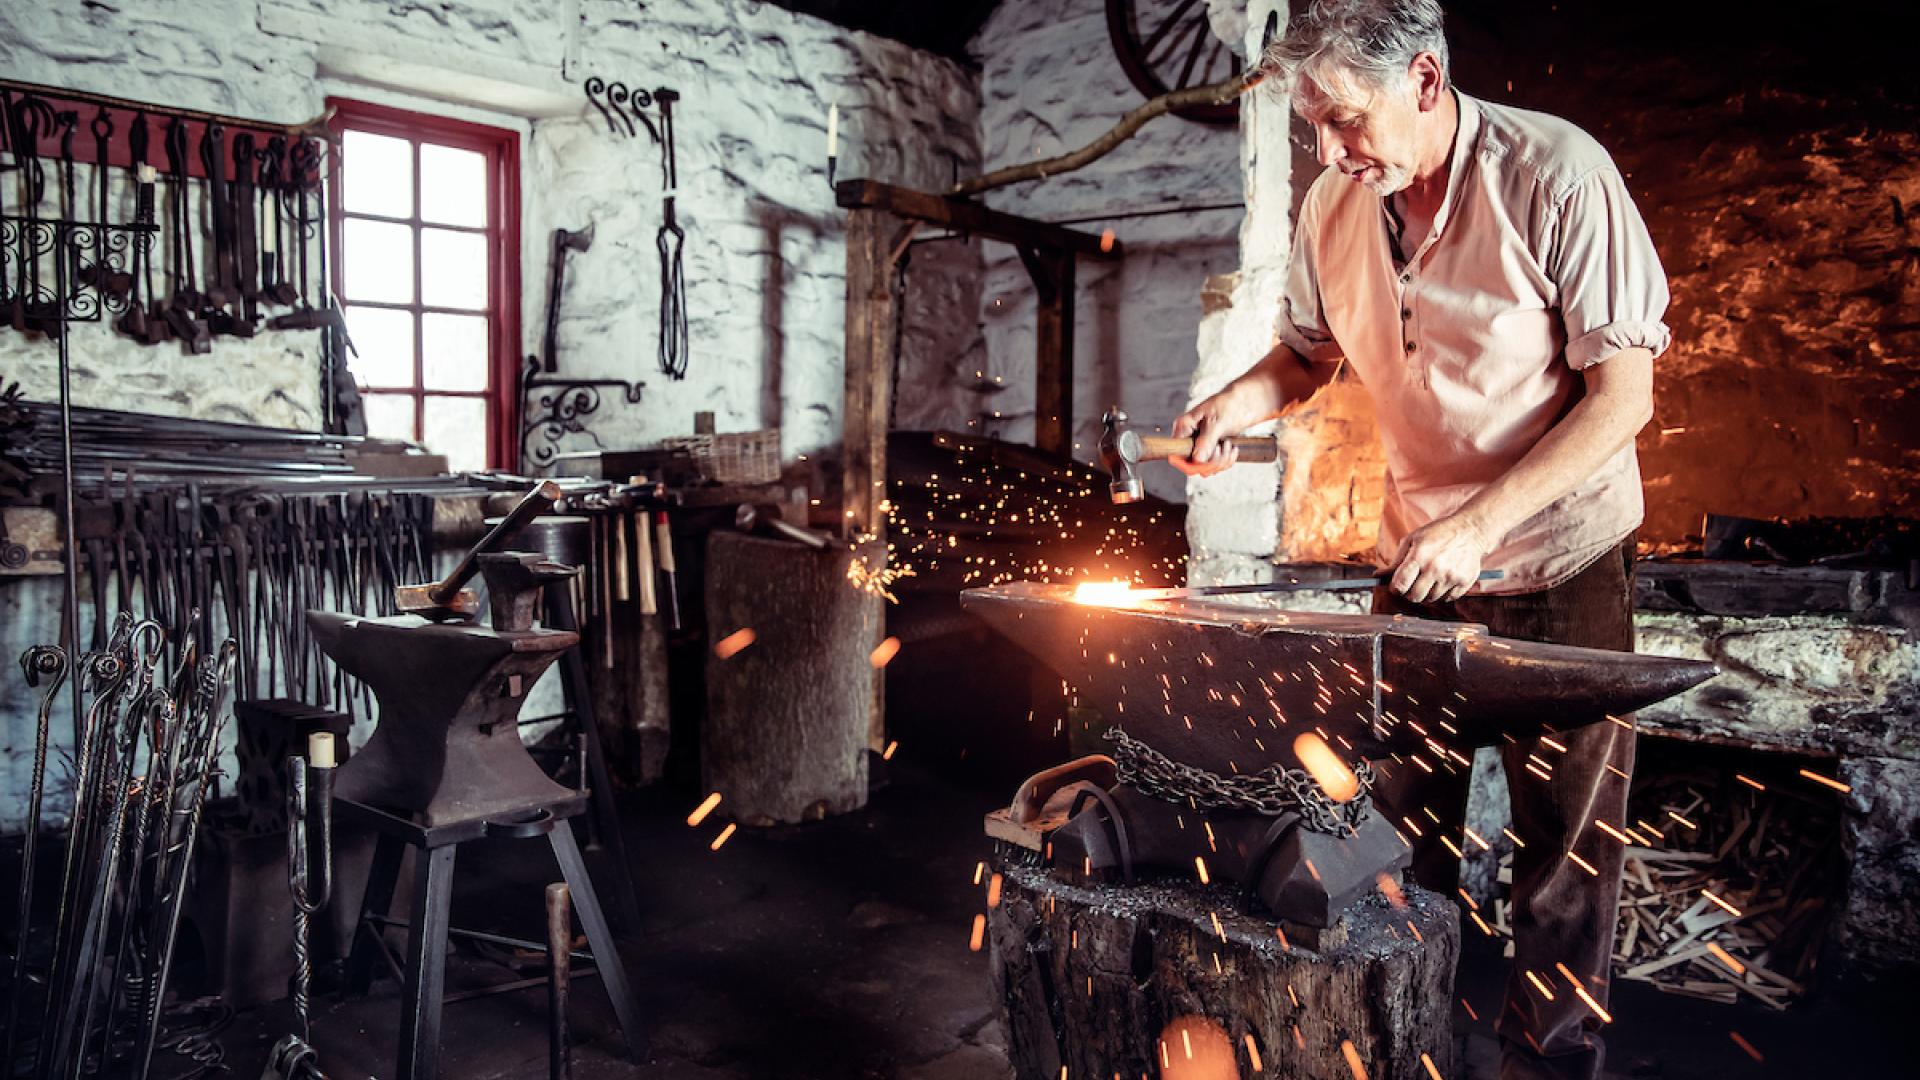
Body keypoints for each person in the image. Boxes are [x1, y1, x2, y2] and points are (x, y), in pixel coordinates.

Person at [1171, 2, 1667, 1077]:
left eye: (1347, 122)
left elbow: (1623, 397)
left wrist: (1481, 522)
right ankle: (1395, 1049)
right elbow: (1304, 356)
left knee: (1565, 859)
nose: (1330, 152)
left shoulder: (1559, 175)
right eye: (1313, 130)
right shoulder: (1333, 206)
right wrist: (1233, 403)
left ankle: (1546, 1063)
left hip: (1563, 561)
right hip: (1420, 561)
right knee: (1392, 827)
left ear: (1428, 82)